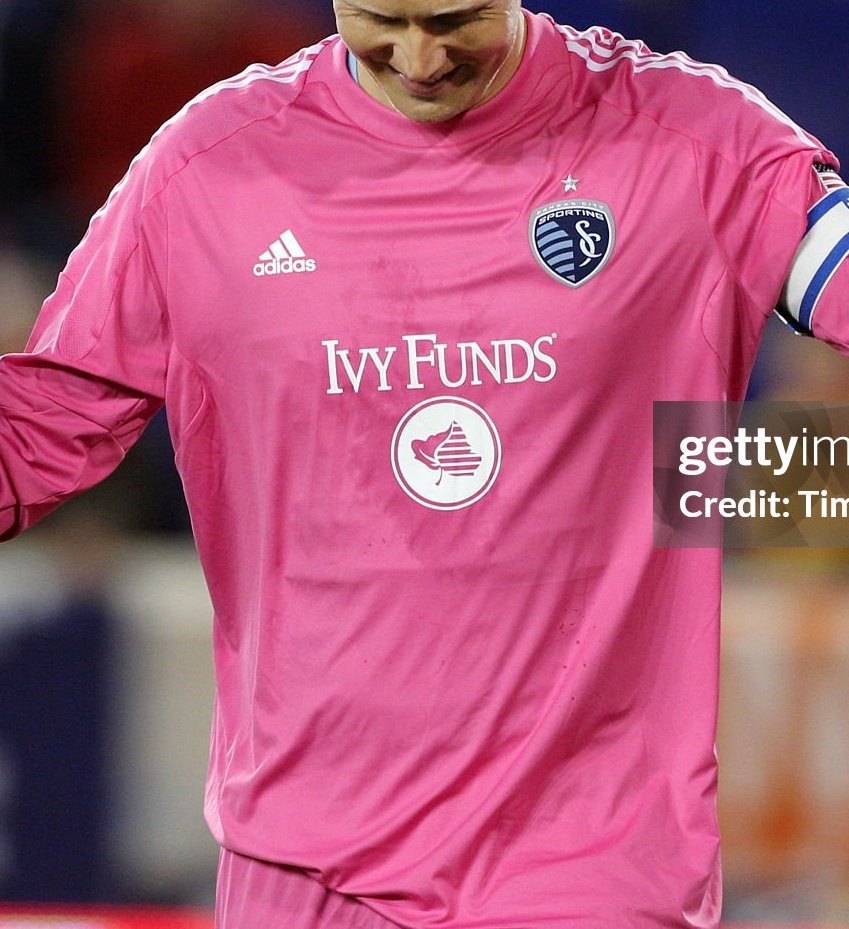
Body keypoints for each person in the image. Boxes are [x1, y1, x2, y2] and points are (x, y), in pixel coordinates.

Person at [1, 0, 848, 926]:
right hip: (296, 864)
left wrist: (782, 483)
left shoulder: (696, 141)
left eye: (451, 19)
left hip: (585, 871)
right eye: (380, 18)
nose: (417, 57)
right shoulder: (209, 166)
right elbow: (48, 421)